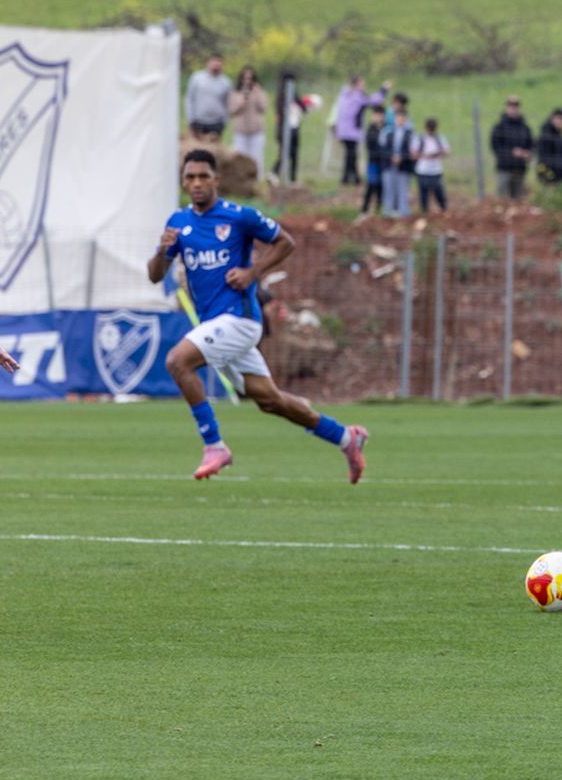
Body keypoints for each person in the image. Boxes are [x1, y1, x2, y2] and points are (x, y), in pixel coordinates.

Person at [147, 149, 368, 482]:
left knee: (178, 361)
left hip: (240, 319)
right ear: (183, 182)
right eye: (190, 177)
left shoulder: (239, 217)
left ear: (216, 180)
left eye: (203, 176)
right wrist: (162, 252)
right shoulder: (178, 223)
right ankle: (346, 438)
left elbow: (285, 242)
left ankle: (214, 445)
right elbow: (153, 275)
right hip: (215, 325)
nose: (196, 183)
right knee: (270, 400)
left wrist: (253, 272)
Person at [332, 76, 389, 185]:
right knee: (352, 154)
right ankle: (351, 178)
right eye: (362, 85)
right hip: (351, 130)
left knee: (349, 154)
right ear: (355, 85)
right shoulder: (357, 96)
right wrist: (384, 90)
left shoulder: (344, 94)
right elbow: (373, 101)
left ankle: (349, 177)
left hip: (344, 130)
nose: (364, 87)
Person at [490, 96, 534, 201]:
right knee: (501, 200)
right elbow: (495, 147)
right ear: (506, 107)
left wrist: (527, 153)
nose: (513, 109)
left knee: (518, 200)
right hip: (504, 169)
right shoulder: (499, 127)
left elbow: (531, 145)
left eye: (516, 106)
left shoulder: (525, 128)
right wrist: (511, 153)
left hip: (520, 169)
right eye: (511, 106)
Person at [227, 65, 268, 168]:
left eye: (250, 78)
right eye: (245, 78)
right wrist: (241, 102)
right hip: (241, 132)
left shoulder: (259, 92)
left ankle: (257, 181)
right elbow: (231, 110)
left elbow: (263, 108)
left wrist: (257, 93)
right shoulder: (235, 93)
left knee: (257, 159)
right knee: (241, 158)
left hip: (256, 131)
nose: (248, 81)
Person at [185, 54, 233, 140]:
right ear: (208, 63)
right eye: (214, 62)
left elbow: (228, 103)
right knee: (198, 150)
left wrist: (225, 120)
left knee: (214, 151)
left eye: (218, 63)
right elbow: (190, 99)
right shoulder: (197, 78)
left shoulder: (226, 82)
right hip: (198, 121)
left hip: (217, 123)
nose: (216, 65)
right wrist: (190, 119)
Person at [380, 105, 415, 217]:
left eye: (402, 117)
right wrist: (392, 157)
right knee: (389, 188)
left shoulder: (410, 134)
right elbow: (382, 149)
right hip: (389, 165)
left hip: (403, 165)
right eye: (398, 117)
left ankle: (403, 211)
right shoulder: (387, 132)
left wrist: (401, 157)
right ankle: (388, 210)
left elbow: (413, 151)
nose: (400, 120)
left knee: (403, 188)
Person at [411, 118, 450, 214]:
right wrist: (425, 155)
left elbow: (446, 152)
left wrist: (437, 154)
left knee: (438, 190)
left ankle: (443, 208)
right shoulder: (420, 139)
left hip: (436, 170)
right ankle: (424, 211)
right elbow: (413, 154)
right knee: (423, 192)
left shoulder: (439, 139)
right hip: (423, 170)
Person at [360, 104, 388, 218]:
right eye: (376, 115)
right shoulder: (370, 129)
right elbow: (369, 146)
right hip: (373, 161)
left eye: (380, 115)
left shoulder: (387, 129)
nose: (378, 117)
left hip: (384, 163)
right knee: (371, 184)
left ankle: (380, 207)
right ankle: (364, 209)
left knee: (382, 186)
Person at [536, 108, 562, 186]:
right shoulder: (547, 135)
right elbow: (544, 159)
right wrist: (552, 177)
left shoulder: (558, 135)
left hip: (558, 175)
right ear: (553, 119)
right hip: (549, 176)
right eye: (559, 119)